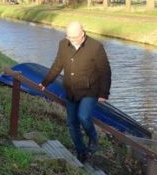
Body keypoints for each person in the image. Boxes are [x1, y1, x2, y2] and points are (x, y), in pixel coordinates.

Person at [39, 21, 111, 163]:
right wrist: (45, 82)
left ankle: (93, 137)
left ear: (82, 33)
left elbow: (105, 71)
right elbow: (57, 65)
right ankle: (81, 151)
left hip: (90, 90)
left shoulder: (95, 47)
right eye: (68, 37)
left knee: (83, 117)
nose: (70, 40)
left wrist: (104, 93)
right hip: (71, 89)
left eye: (73, 38)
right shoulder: (63, 44)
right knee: (72, 124)